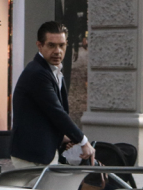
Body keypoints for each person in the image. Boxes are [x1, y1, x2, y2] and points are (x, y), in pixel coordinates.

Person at [9, 21, 94, 170]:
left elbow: (42, 116)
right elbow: (57, 112)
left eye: (61, 45)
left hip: (40, 153)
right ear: (39, 45)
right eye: (51, 45)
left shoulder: (52, 71)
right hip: (32, 156)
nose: (58, 51)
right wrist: (83, 141)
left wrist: (64, 137)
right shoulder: (38, 73)